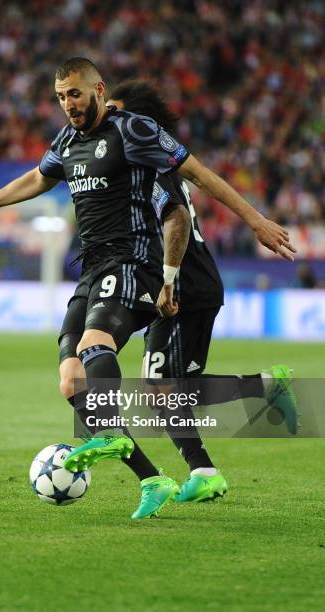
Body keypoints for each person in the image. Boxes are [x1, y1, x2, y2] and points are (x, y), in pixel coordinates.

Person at [0, 57, 296, 519]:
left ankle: (134, 443)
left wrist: (255, 221)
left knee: (112, 355)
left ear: (99, 90)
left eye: (76, 94)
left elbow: (198, 175)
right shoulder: (67, 140)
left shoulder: (134, 130)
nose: (68, 104)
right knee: (73, 382)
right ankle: (152, 477)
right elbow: (37, 178)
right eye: (61, 96)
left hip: (132, 260)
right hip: (90, 267)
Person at [106, 80, 300, 503]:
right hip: (186, 284)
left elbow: (176, 219)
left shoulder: (153, 165)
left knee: (160, 387)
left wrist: (170, 280)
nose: (109, 120)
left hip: (186, 287)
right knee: (172, 388)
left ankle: (205, 469)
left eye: (115, 111)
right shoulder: (138, 164)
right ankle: (265, 388)